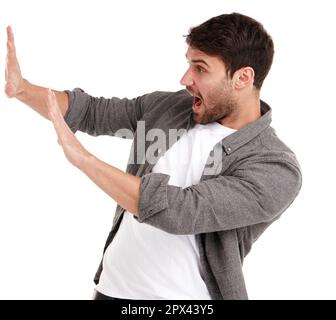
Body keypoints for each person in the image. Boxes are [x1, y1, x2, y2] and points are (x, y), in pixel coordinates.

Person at [5, 12, 302, 300]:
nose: (185, 78)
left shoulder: (275, 167)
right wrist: (22, 89)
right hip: (111, 289)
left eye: (200, 68)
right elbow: (92, 112)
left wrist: (84, 160)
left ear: (243, 77)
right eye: (189, 64)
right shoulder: (168, 107)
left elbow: (179, 210)